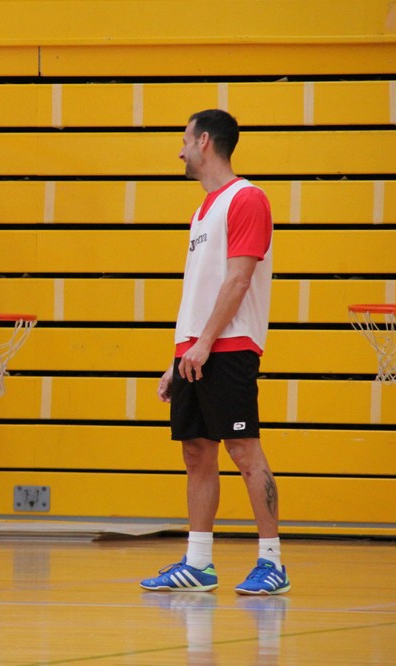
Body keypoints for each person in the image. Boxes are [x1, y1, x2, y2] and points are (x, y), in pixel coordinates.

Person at [140, 109, 290, 596]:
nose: (179, 150)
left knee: (244, 451)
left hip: (229, 345)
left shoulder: (247, 198)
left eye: (184, 139)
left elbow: (239, 278)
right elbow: (200, 290)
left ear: (205, 142)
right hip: (195, 347)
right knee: (196, 454)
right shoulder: (202, 211)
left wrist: (205, 343)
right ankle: (199, 563)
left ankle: (272, 561)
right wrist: (179, 354)